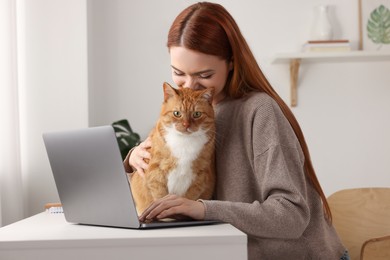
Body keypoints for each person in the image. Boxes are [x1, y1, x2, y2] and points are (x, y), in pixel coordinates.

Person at [124, 2, 349, 259]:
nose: (190, 86)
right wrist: (134, 160)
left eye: (204, 75)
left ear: (231, 63)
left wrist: (204, 209)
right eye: (178, 73)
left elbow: (292, 214)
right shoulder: (190, 112)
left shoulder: (259, 111)